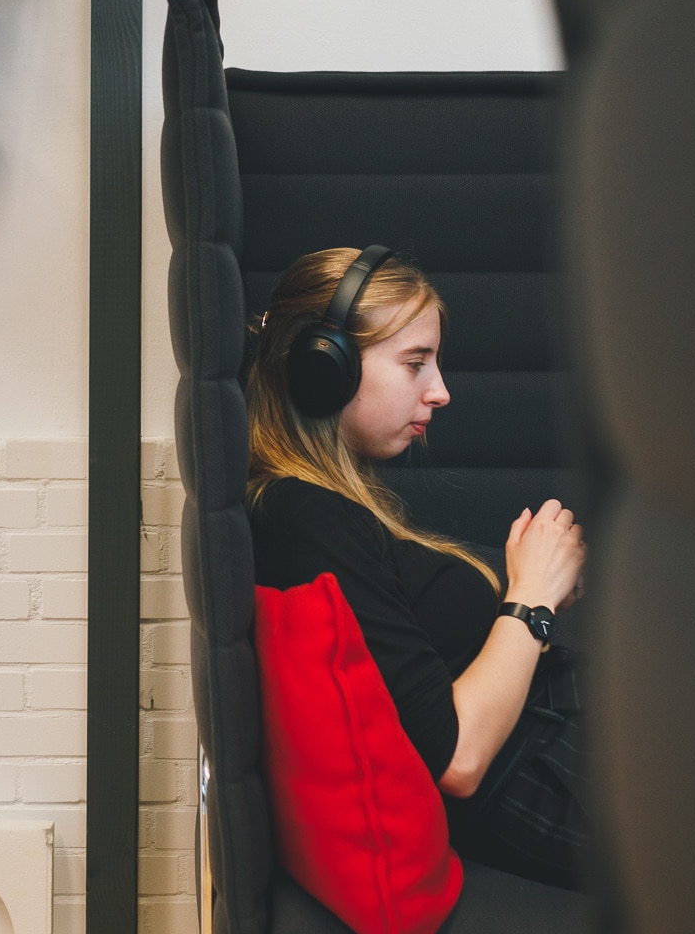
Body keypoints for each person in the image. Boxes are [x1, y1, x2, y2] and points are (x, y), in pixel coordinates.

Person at [248, 246, 590, 890]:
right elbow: (456, 758)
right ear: (325, 369)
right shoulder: (307, 519)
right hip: (544, 782)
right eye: (414, 364)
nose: (440, 390)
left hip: (559, 750)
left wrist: (529, 593)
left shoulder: (330, 508)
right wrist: (530, 600)